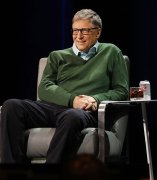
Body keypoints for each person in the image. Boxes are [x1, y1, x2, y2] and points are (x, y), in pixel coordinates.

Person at [0, 9, 129, 163]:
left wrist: (95, 99)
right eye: (75, 31)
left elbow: (121, 91)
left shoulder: (111, 52)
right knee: (11, 106)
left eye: (85, 31)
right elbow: (45, 87)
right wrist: (72, 100)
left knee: (72, 116)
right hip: (54, 107)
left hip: (84, 111)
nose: (79, 36)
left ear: (97, 32)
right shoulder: (57, 56)